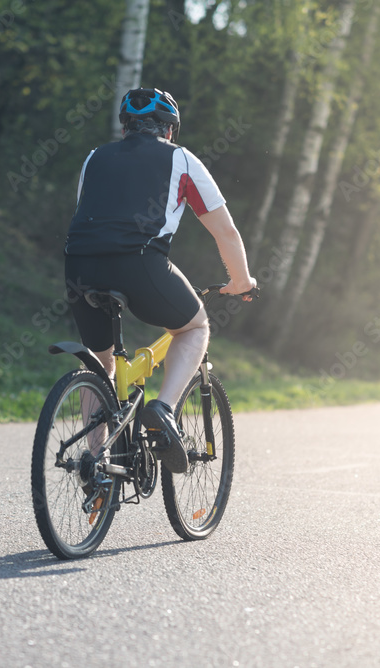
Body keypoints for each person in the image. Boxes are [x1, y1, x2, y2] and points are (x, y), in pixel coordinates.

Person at [64, 87, 255, 474]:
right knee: (194, 327)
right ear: (170, 129)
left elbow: (87, 212)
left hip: (78, 266)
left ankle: (95, 461)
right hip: (138, 264)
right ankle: (163, 410)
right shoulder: (181, 160)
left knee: (100, 365)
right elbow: (226, 232)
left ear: (126, 127)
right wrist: (241, 281)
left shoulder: (94, 158)